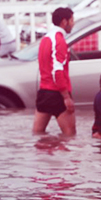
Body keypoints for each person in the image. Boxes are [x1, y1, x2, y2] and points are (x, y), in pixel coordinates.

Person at [32, 7, 76, 137]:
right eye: (72, 20)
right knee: (70, 136)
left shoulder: (46, 39)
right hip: (58, 94)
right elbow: (57, 71)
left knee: (38, 135)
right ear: (64, 22)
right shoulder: (59, 41)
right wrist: (66, 97)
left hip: (44, 93)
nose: (73, 24)